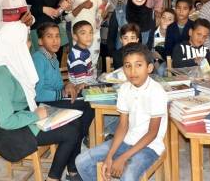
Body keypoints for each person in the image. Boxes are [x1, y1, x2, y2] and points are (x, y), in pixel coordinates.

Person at [0, 22, 82, 181]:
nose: (30, 44)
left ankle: (69, 171)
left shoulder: (15, 65)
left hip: (23, 118)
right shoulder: (2, 77)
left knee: (75, 123)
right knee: (71, 132)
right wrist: (36, 116)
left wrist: (37, 113)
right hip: (9, 133)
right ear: (15, 45)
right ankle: (53, 178)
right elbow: (6, 121)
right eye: (27, 40)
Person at [75, 44, 168, 181]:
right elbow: (123, 125)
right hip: (126, 141)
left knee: (127, 176)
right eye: (128, 66)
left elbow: (152, 133)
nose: (132, 71)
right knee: (82, 161)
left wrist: (123, 158)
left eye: (138, 65)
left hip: (149, 147)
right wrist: (109, 156)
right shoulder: (124, 89)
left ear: (149, 68)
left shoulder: (157, 91)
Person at [32, 22, 95, 151]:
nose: (55, 40)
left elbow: (59, 85)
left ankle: (76, 146)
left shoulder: (53, 57)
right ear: (40, 41)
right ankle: (76, 146)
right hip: (43, 104)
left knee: (87, 102)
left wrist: (68, 85)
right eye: (49, 36)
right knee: (87, 105)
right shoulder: (38, 58)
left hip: (54, 99)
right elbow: (38, 94)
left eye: (57, 36)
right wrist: (63, 93)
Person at [65, 0, 107, 68]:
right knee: (79, 63)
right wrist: (82, 6)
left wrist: (103, 15)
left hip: (94, 34)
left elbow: (99, 18)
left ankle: (92, 79)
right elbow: (67, 18)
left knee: (92, 65)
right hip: (78, 35)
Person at [107, 0, 155, 69]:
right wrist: (116, 57)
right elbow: (111, 39)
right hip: (122, 60)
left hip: (142, 61)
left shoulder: (151, 14)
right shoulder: (119, 12)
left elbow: (150, 43)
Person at [68, 20, 98, 87]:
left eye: (90, 32)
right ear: (75, 37)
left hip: (89, 84)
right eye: (83, 33)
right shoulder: (77, 57)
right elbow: (81, 85)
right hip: (82, 90)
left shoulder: (83, 50)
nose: (88, 36)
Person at [152, 8, 175, 75]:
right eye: (163, 17)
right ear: (160, 19)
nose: (165, 21)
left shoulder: (175, 36)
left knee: (163, 71)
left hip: (168, 62)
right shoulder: (152, 33)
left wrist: (161, 57)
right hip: (152, 61)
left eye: (169, 19)